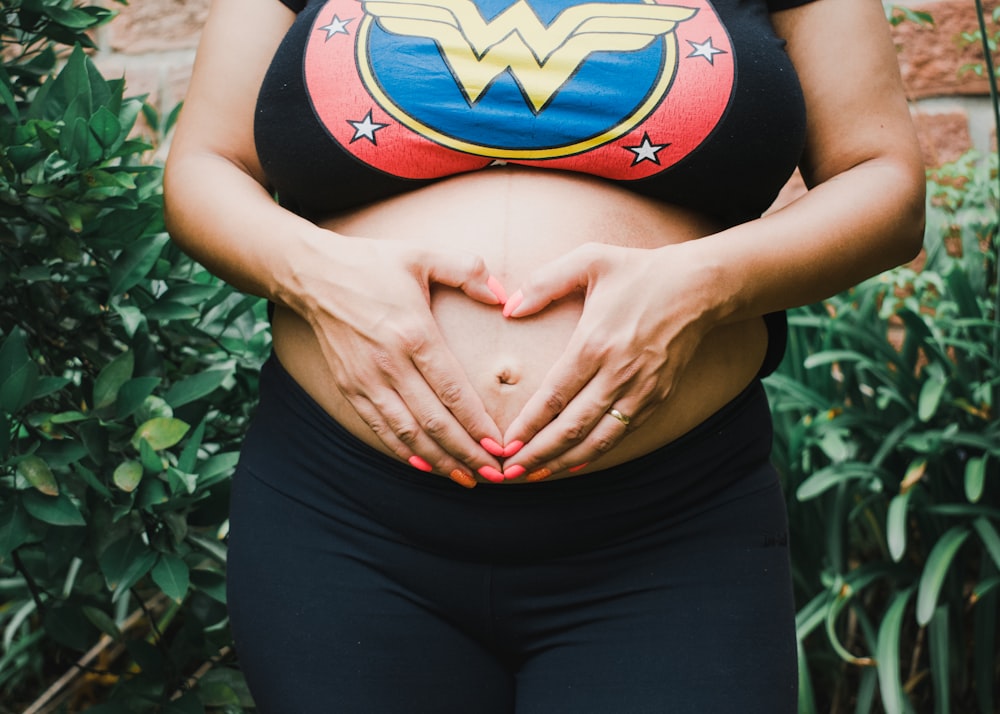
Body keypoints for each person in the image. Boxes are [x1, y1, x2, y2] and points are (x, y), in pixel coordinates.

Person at [163, 0, 924, 708]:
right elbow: (205, 167)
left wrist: (701, 284)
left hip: (668, 530)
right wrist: (318, 275)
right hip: (345, 521)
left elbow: (884, 182)